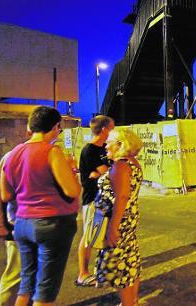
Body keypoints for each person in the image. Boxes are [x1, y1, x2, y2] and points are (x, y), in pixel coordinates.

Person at [0, 106, 81, 306]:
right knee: (44, 292)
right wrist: (71, 168)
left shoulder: (13, 154)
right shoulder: (51, 151)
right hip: (51, 224)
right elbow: (72, 190)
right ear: (55, 127)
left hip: (22, 224)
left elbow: (5, 194)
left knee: (26, 286)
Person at [95, 128, 144, 306]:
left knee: (119, 265)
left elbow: (122, 197)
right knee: (129, 259)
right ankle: (133, 301)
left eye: (109, 141)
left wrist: (112, 228)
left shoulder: (120, 166)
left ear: (119, 144)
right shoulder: (132, 163)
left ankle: (128, 303)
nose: (105, 144)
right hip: (129, 218)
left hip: (119, 221)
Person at [75, 115, 114, 287]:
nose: (114, 131)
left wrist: (102, 173)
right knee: (89, 236)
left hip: (106, 198)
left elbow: (108, 172)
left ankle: (104, 268)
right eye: (112, 127)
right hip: (93, 199)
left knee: (103, 235)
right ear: (104, 129)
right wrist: (103, 173)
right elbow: (108, 172)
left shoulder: (105, 148)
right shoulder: (89, 150)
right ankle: (82, 274)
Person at [0, 151, 21, 306]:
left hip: (36, 227)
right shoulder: (11, 156)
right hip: (16, 226)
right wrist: (0, 224)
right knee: (14, 275)